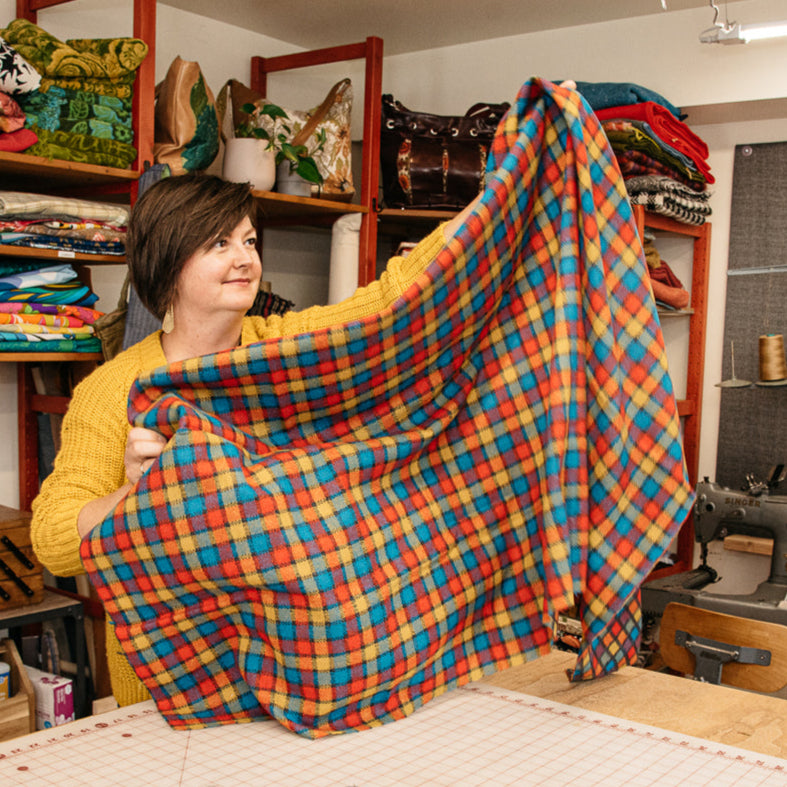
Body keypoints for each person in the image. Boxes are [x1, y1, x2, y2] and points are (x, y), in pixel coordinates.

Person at [30, 171, 466, 706]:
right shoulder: (112, 391)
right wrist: (133, 494)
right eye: (220, 243)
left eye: (250, 241)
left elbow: (387, 301)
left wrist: (497, 201)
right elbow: (52, 541)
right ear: (168, 261)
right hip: (168, 691)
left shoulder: (281, 354)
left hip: (295, 671)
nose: (245, 259)